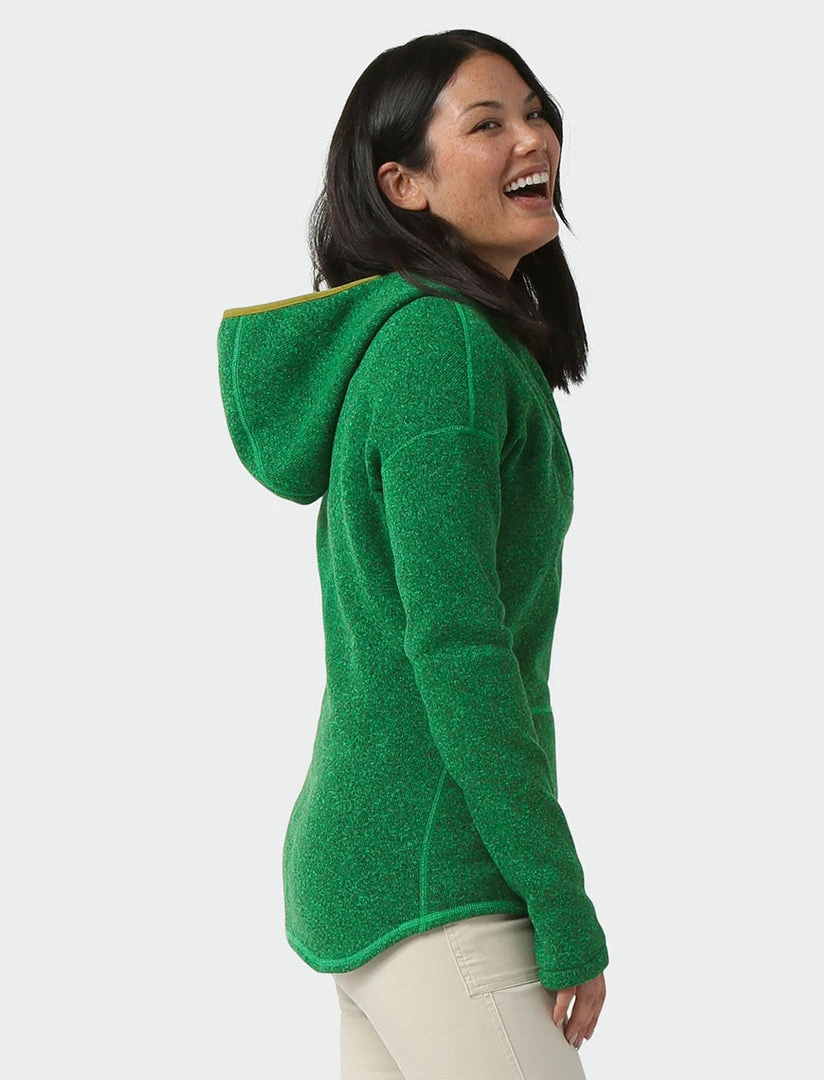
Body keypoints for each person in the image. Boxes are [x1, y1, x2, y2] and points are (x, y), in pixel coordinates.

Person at [217, 27, 609, 1080]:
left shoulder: (438, 344)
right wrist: (559, 897)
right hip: (441, 886)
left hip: (377, 872)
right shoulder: (445, 351)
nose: (532, 138)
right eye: (487, 124)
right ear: (405, 185)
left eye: (536, 112)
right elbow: (458, 647)